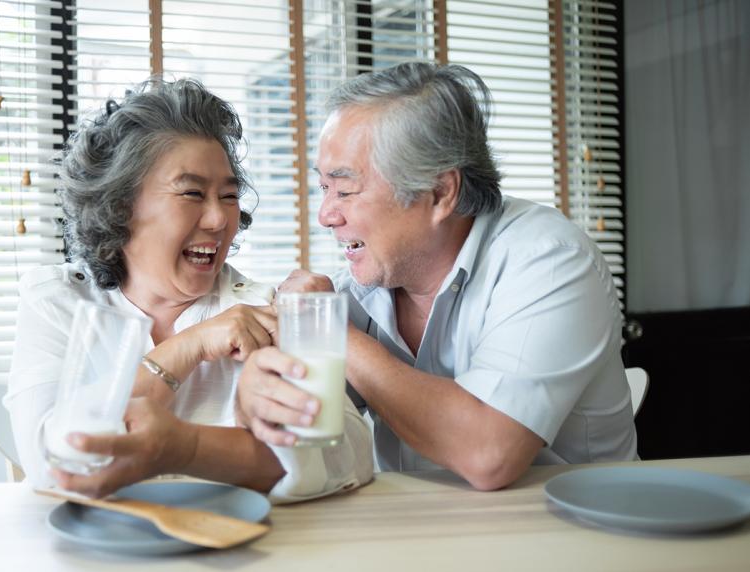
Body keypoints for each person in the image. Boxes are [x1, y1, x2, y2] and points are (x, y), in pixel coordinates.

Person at [235, 62, 637, 491]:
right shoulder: (359, 290)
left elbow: (488, 453)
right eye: (324, 188)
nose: (326, 215)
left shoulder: (551, 260)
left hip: (573, 535)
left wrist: (335, 335)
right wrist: (257, 398)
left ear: (440, 192)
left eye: (346, 190)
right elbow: (297, 441)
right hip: (419, 536)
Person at [4, 78, 373, 502]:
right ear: (119, 206)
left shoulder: (262, 312)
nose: (218, 219)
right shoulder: (58, 301)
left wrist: (188, 447)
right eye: (192, 193)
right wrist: (187, 348)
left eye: (229, 195)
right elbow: (52, 464)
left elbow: (349, 457)